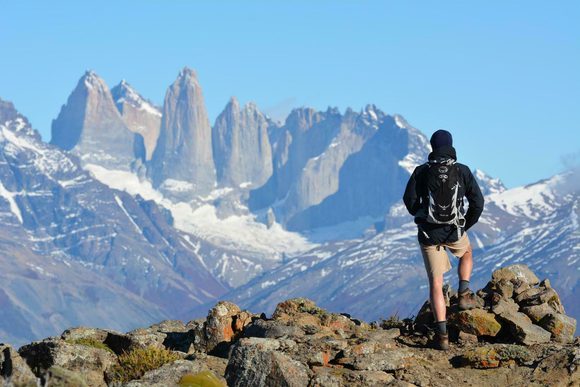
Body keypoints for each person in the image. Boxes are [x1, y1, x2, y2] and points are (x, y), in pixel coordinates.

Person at [403, 129, 484, 350]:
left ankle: (442, 337)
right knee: (466, 253)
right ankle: (464, 293)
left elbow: (408, 199)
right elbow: (478, 203)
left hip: (429, 234)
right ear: (450, 145)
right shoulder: (462, 171)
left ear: (432, 146)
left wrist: (420, 214)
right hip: (454, 231)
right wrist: (464, 225)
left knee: (436, 284)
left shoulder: (421, 171)